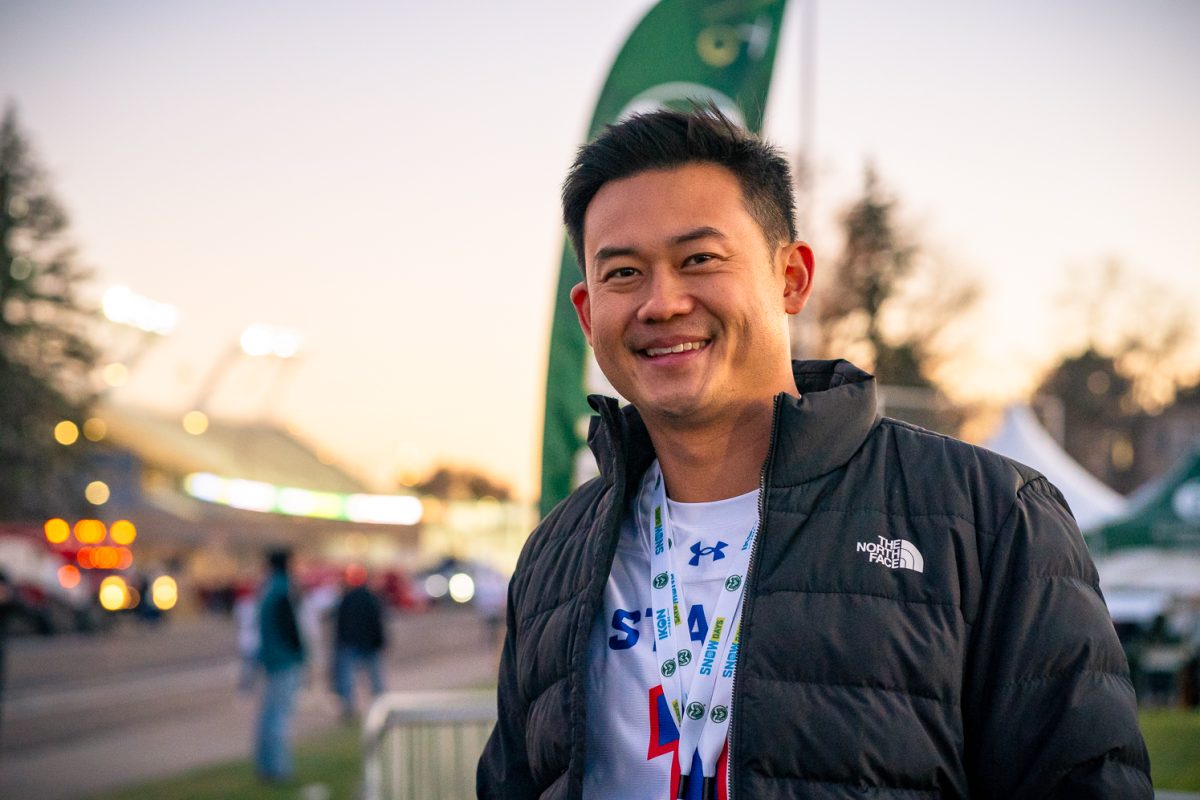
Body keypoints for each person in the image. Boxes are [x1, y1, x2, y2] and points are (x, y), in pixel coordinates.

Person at [477, 107, 1151, 799]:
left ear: (791, 278)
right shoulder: (557, 554)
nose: (662, 302)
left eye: (699, 259)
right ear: (588, 315)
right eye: (623, 273)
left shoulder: (989, 520)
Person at [255, 548, 305, 783]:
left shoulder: (268, 589)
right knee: (279, 717)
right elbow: (290, 628)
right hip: (284, 660)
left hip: (273, 659)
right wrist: (299, 652)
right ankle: (278, 769)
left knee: (269, 715)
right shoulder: (282, 590)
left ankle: (267, 766)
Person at [332, 563, 386, 719]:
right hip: (363, 643)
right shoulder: (366, 597)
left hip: (355, 643)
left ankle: (354, 708)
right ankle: (380, 705)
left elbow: (342, 624)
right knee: (371, 678)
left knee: (351, 679)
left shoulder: (350, 598)